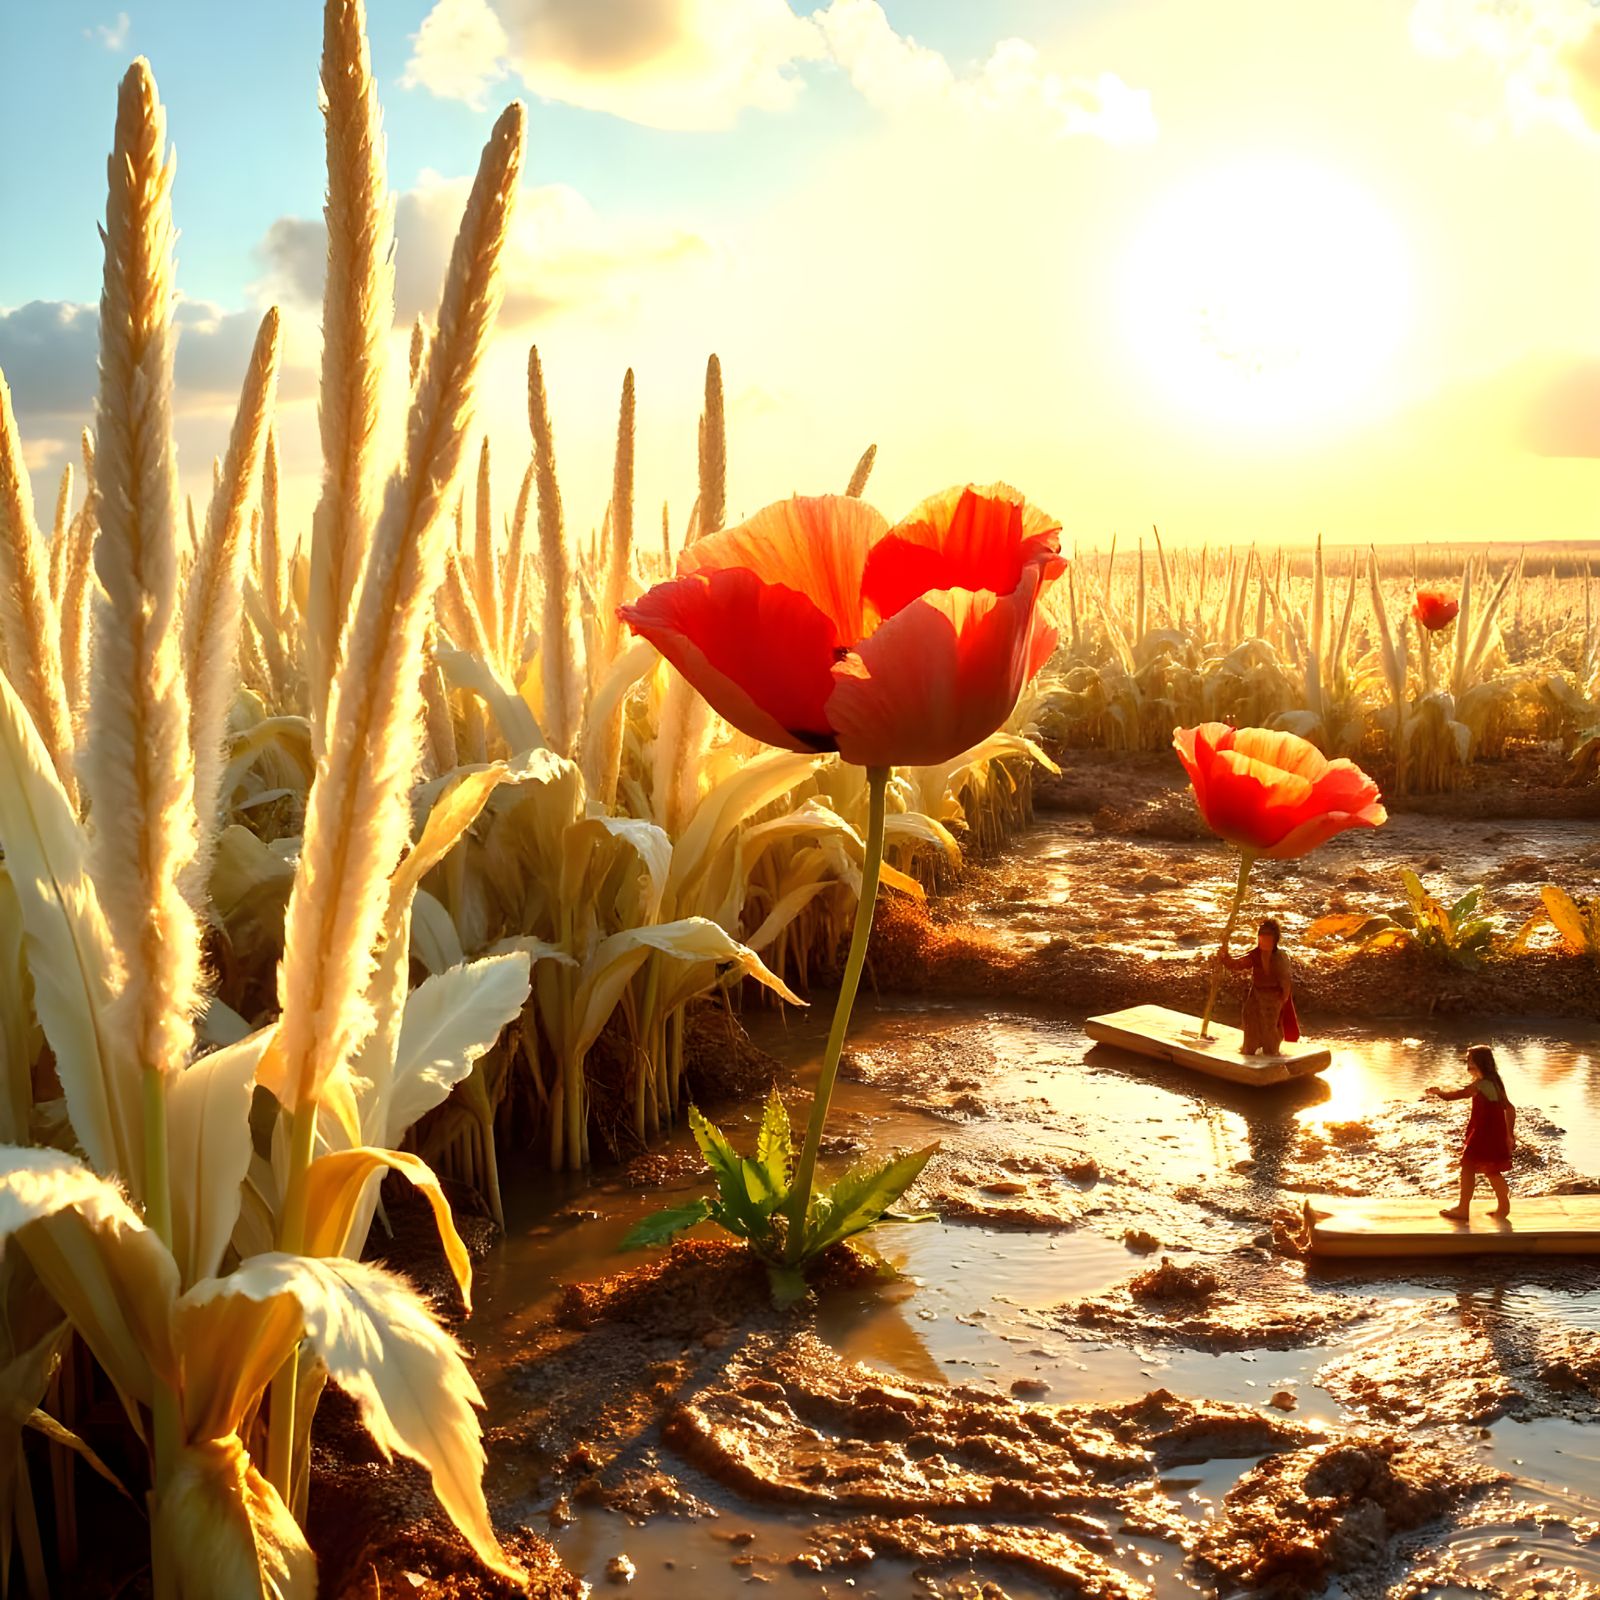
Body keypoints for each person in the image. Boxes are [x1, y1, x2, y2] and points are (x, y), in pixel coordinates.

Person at [1426, 1045, 1516, 1220]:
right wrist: (1508, 1134)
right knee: (1491, 1169)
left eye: (1469, 1059)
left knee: (1467, 1166)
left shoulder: (1482, 1085)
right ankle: (1503, 1206)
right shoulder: (1495, 1082)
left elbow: (1457, 1095)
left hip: (1483, 1133)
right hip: (1494, 1133)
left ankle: (1463, 1209)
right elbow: (1510, 1109)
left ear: (1477, 1062)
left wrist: (1438, 1092)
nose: (1467, 1062)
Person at [1214, 918, 1299, 1055]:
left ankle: (1271, 1053)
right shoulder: (1255, 955)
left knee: (1270, 1027)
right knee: (1250, 1019)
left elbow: (1285, 980)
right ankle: (1249, 1049)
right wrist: (1225, 957)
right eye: (1262, 937)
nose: (1264, 941)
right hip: (1256, 994)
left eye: (1268, 938)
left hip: (1273, 998)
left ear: (1275, 939)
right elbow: (1237, 964)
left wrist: (1283, 998)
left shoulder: (1280, 958)